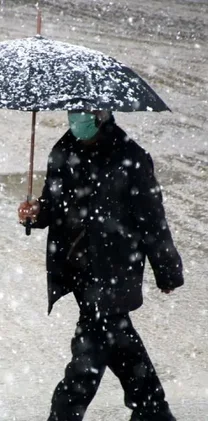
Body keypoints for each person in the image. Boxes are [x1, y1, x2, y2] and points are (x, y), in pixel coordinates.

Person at [18, 110, 183, 421]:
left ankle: (64, 416)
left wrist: (168, 269)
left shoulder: (131, 158)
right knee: (120, 344)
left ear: (102, 113)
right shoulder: (63, 152)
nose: (76, 118)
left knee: (88, 358)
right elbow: (54, 206)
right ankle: (154, 413)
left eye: (84, 111)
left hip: (115, 270)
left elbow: (153, 221)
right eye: (73, 111)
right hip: (78, 269)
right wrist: (36, 212)